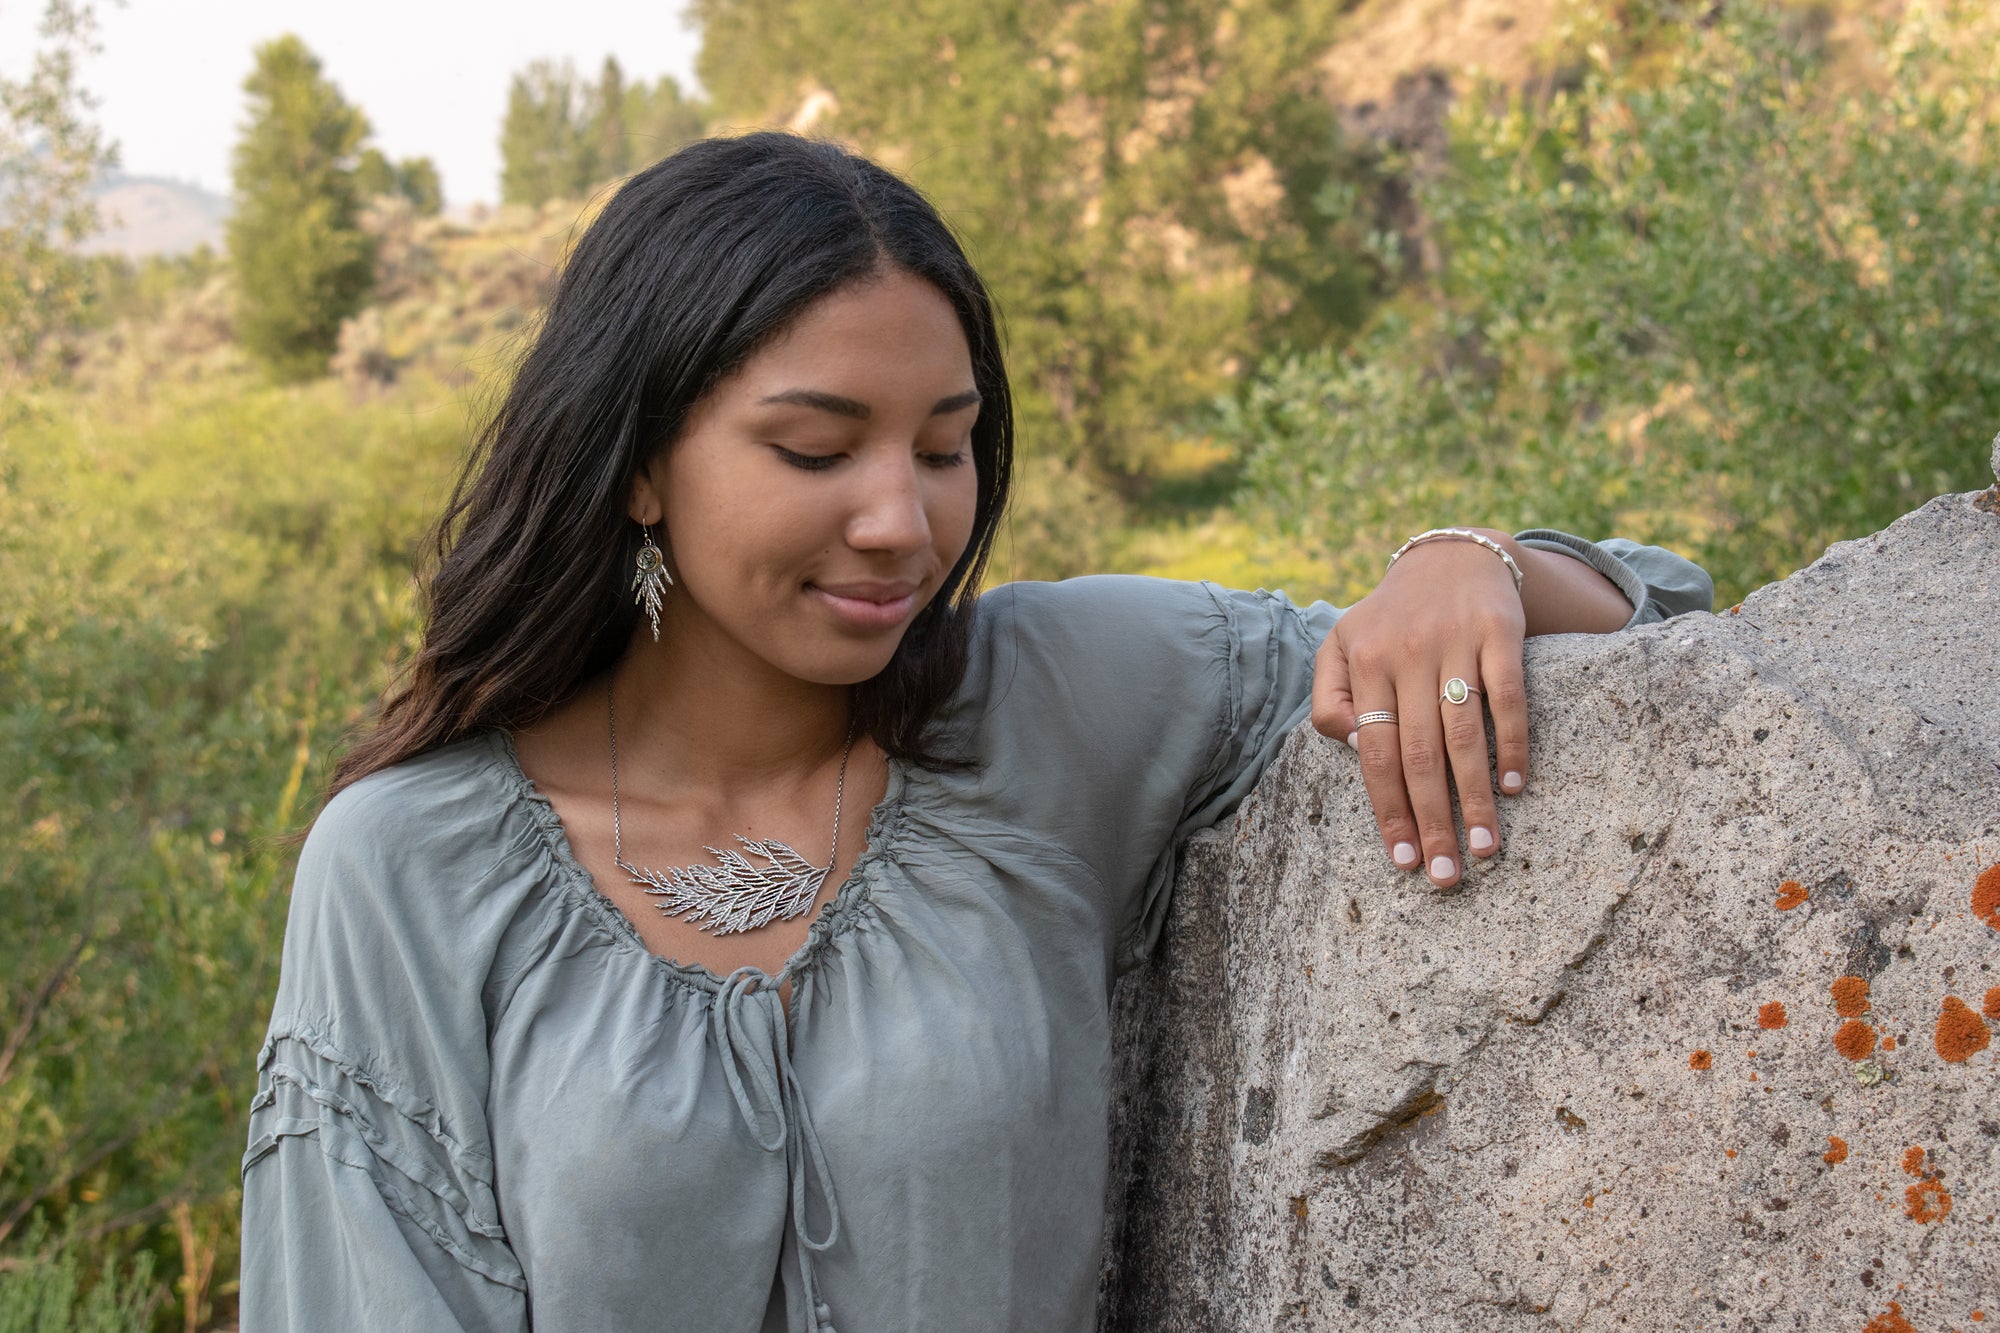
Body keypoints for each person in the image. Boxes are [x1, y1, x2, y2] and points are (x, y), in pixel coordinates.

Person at [237, 133, 1710, 1332]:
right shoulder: (411, 870)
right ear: (635, 462)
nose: (903, 521)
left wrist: (1470, 563)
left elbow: (1657, 611)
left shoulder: (1057, 704)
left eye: (946, 447)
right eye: (815, 449)